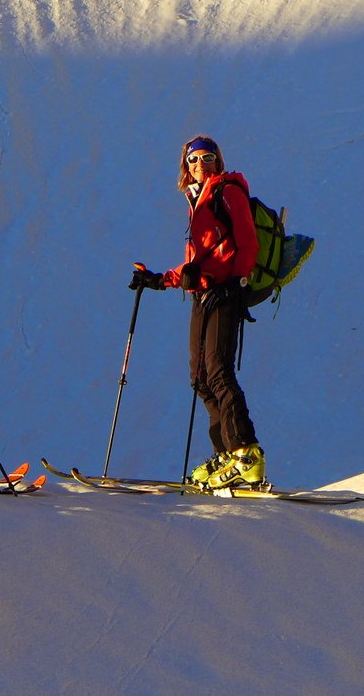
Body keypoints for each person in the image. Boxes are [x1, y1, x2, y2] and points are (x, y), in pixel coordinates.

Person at [131, 135, 266, 489]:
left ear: (218, 161)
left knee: (220, 372)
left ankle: (245, 453)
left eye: (207, 157)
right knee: (201, 377)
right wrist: (161, 279)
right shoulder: (197, 201)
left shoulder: (227, 191)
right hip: (204, 295)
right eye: (193, 160)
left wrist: (233, 281)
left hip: (224, 293)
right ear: (185, 167)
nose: (200, 164)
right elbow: (199, 260)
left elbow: (247, 244)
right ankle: (226, 454)